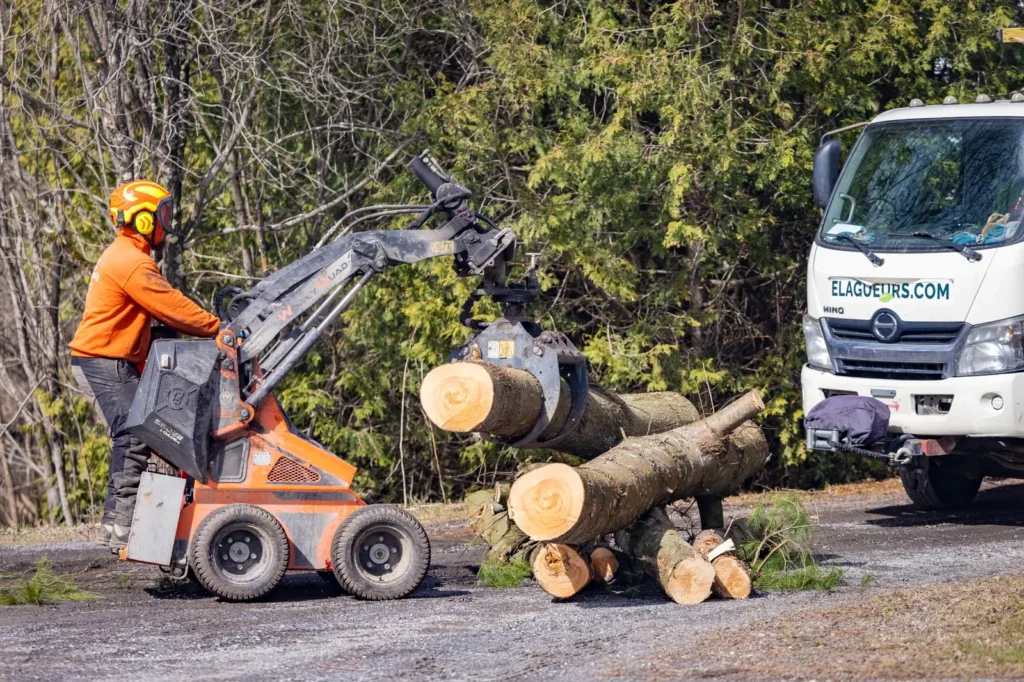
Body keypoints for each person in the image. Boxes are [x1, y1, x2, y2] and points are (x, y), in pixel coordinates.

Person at [69, 180, 221, 549]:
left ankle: (115, 523)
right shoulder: (132, 262)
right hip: (105, 358)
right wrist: (219, 329)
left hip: (107, 356)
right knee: (136, 434)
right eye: (162, 216)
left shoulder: (128, 256)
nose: (167, 225)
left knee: (137, 434)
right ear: (140, 221)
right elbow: (173, 306)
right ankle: (123, 525)